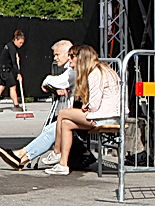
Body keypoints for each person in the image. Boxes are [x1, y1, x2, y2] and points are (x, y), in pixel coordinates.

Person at [0, 40, 75, 170]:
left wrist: (47, 82)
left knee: (52, 129)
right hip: (74, 114)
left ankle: (21, 156)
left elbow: (56, 81)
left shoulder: (72, 70)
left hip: (82, 115)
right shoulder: (71, 70)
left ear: (68, 53)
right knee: (51, 128)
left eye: (57, 55)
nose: (55, 58)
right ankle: (21, 158)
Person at [45, 44, 122, 176]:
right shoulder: (102, 69)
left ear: (81, 58)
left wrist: (87, 105)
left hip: (104, 116)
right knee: (66, 123)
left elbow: (95, 105)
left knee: (62, 114)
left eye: (72, 56)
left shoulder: (95, 74)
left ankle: (57, 152)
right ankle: (63, 165)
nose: (69, 60)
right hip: (107, 113)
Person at [0, 30, 25, 111]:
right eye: (20, 42)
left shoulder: (8, 46)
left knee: (1, 87)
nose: (21, 45)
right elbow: (13, 62)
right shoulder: (12, 48)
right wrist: (18, 73)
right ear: (15, 39)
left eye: (22, 43)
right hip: (4, 69)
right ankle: (16, 106)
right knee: (13, 86)